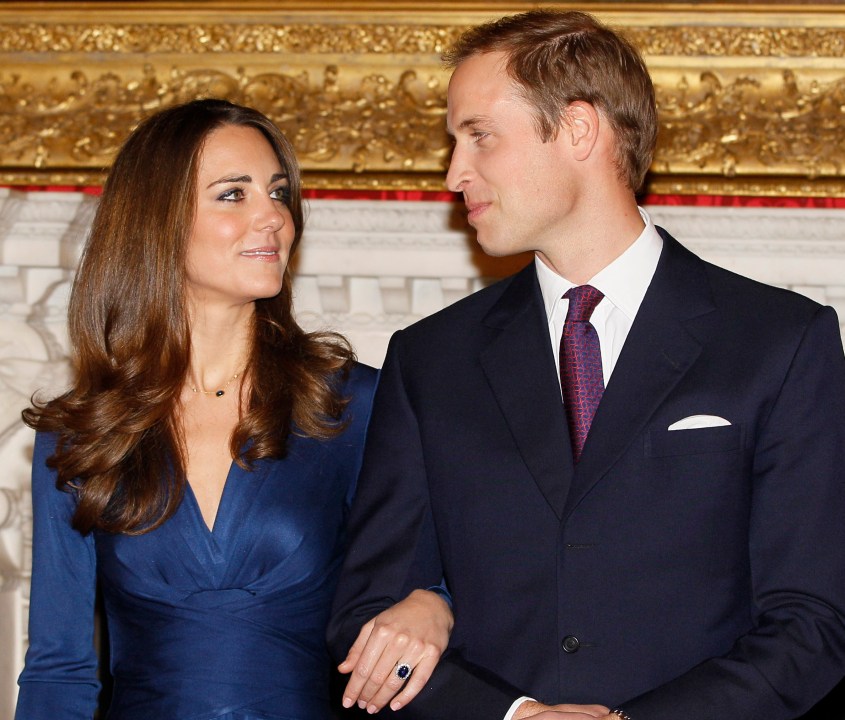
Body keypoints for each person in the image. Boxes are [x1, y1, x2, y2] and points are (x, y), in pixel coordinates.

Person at [328, 10, 845, 720]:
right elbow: (368, 616)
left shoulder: (779, 342)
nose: (454, 173)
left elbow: (813, 623)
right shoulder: (430, 360)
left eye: (479, 136)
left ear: (577, 130)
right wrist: (513, 715)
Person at [15, 98, 451, 720]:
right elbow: (58, 670)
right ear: (157, 221)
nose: (273, 216)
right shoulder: (82, 432)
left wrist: (436, 604)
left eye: (278, 193)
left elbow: (449, 568)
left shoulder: (350, 406)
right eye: (233, 194)